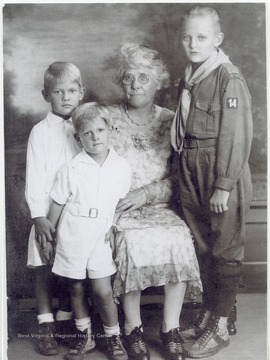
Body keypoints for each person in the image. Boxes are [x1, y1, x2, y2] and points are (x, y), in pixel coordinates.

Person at [107, 43, 202, 360]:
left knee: (178, 237)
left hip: (160, 206)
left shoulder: (173, 121)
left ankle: (169, 327)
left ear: (159, 80)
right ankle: (132, 329)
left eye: (143, 78)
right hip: (119, 206)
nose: (135, 85)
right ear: (122, 81)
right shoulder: (107, 119)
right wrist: (120, 198)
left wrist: (146, 194)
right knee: (131, 243)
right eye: (129, 78)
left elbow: (180, 178)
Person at [171, 6, 253, 358]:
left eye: (201, 37)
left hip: (219, 168)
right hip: (190, 165)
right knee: (202, 247)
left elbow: (235, 135)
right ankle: (209, 313)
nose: (193, 43)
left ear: (217, 39)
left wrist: (223, 184)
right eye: (188, 37)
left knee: (224, 249)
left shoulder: (227, 77)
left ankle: (221, 324)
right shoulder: (191, 76)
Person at [47, 103, 131, 360]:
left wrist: (115, 227)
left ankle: (113, 337)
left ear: (110, 131)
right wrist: (49, 237)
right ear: (78, 137)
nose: (95, 137)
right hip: (73, 232)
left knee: (103, 290)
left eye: (100, 130)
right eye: (87, 133)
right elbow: (58, 204)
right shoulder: (71, 169)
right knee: (75, 288)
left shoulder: (121, 167)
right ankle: (86, 337)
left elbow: (121, 204)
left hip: (101, 233)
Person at [25, 61, 85, 355]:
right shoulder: (40, 132)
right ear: (45, 95)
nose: (65, 96)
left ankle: (70, 324)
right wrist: (38, 217)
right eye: (58, 91)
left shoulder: (86, 130)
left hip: (77, 216)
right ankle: (45, 325)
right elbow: (35, 176)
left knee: (73, 271)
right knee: (43, 269)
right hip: (47, 215)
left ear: (81, 92)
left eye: (72, 90)